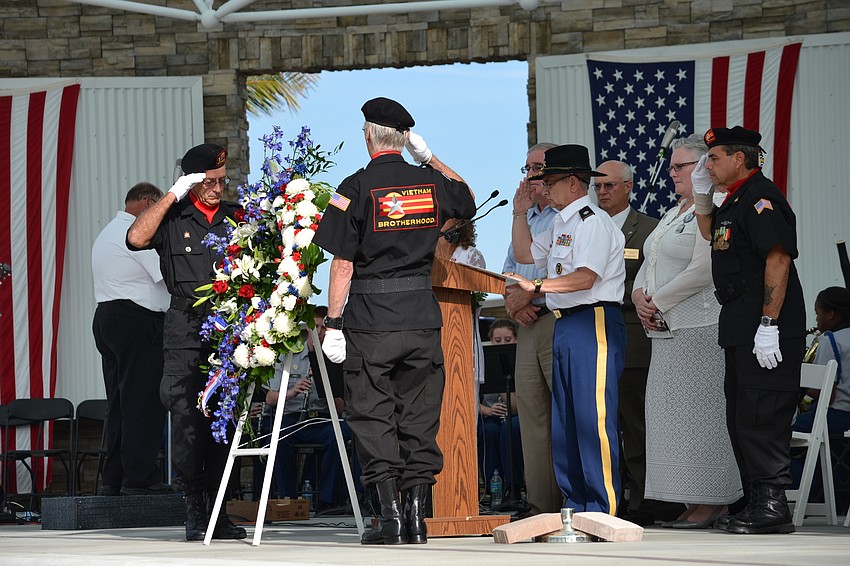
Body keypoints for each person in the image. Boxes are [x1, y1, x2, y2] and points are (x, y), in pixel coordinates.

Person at [312, 97, 476, 545]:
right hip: (421, 317)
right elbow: (466, 198)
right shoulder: (431, 182)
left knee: (373, 415)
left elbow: (342, 264)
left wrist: (333, 323)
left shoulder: (355, 186)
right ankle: (418, 518)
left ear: (368, 135)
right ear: (405, 140)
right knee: (419, 416)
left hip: (371, 320)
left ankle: (390, 519)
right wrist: (430, 158)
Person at [126, 144, 246, 541]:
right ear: (192, 182)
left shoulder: (236, 218)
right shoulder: (173, 217)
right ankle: (195, 509)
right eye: (209, 182)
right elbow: (136, 238)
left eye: (222, 181)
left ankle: (220, 512)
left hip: (228, 336)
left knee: (225, 423)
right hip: (186, 333)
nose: (217, 189)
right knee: (188, 423)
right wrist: (172, 195)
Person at [692, 126, 806, 535]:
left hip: (765, 323)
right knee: (742, 415)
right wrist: (701, 195)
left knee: (762, 414)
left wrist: (769, 324)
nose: (708, 165)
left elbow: (778, 258)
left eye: (714, 158)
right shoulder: (735, 201)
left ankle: (774, 505)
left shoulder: (760, 198)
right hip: (741, 322)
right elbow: (711, 234)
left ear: (739, 158)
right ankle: (758, 503)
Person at [508, 144, 626, 515]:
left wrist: (536, 287)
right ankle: (576, 504)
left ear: (573, 183)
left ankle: (602, 507)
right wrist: (519, 213)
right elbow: (525, 255)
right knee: (566, 420)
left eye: (551, 181)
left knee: (592, 417)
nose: (544, 187)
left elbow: (586, 278)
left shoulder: (592, 221)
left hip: (593, 321)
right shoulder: (562, 222)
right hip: (566, 323)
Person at [632, 135, 742, 529]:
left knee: (702, 418)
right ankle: (691, 498)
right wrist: (639, 297)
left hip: (700, 327)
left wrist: (657, 301)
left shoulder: (711, 207)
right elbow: (649, 260)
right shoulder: (671, 212)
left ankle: (713, 500)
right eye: (672, 166)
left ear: (702, 168)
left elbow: (704, 268)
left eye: (681, 166)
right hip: (665, 332)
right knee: (672, 420)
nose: (673, 173)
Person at [91, 182, 171, 496]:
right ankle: (140, 476)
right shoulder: (136, 232)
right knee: (143, 399)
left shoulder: (107, 232)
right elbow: (166, 274)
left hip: (107, 316)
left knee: (119, 402)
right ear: (148, 202)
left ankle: (115, 476)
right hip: (136, 319)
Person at [593, 160, 660, 525]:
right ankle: (610, 497)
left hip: (633, 336)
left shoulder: (649, 229)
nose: (602, 192)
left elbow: (654, 280)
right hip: (593, 335)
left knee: (636, 424)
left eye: (609, 186)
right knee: (601, 424)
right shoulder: (588, 225)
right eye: (598, 187)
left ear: (628, 187)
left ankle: (647, 497)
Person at [502, 142, 562, 516]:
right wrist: (514, 302)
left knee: (564, 414)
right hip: (526, 324)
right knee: (532, 418)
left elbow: (563, 268)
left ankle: (573, 501)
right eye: (527, 168)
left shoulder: (566, 215)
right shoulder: (526, 218)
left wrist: (529, 296)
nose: (530, 175)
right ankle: (541, 504)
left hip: (555, 319)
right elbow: (510, 268)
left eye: (537, 167)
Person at [478, 319, 524, 501]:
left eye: (508, 339)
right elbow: (471, 400)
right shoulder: (484, 360)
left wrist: (500, 382)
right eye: (497, 341)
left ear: (516, 339)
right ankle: (493, 489)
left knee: (510, 430)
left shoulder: (521, 360)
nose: (502, 344)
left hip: (515, 414)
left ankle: (514, 486)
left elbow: (518, 407)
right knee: (489, 430)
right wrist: (488, 411)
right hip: (490, 413)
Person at [794, 287, 850, 435]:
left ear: (830, 314)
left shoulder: (829, 340)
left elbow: (826, 394)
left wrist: (800, 385)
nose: (817, 319)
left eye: (817, 313)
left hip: (837, 416)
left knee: (782, 431)